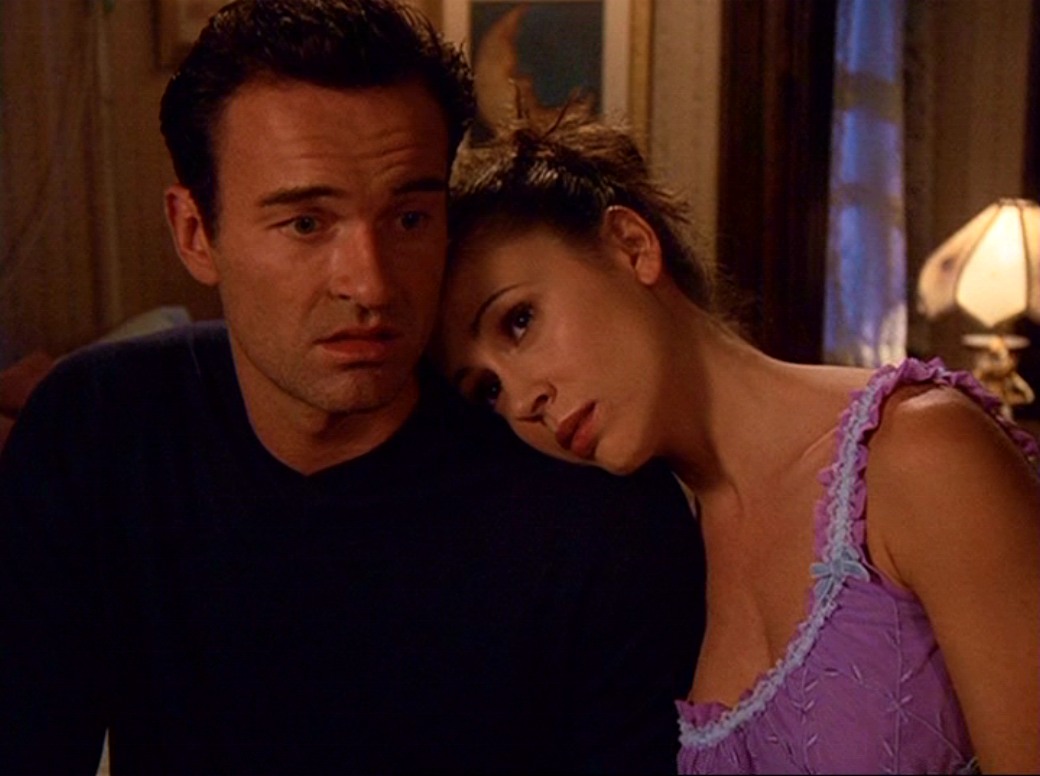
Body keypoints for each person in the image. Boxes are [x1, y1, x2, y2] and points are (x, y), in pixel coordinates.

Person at [0, 2, 707, 773]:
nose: (370, 286)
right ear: (195, 233)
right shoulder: (99, 429)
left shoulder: (591, 508)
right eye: (307, 224)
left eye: (409, 219)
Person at [432, 115, 1040, 774]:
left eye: (519, 321)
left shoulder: (920, 452)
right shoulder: (661, 560)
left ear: (632, 246)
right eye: (487, 390)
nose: (522, 400)